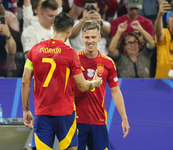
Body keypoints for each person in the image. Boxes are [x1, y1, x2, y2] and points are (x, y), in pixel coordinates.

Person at [21, 12, 102, 150]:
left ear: (53, 27)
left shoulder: (34, 50)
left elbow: (25, 82)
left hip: (42, 113)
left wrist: (26, 109)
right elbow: (82, 86)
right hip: (65, 114)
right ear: (69, 30)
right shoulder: (70, 53)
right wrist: (94, 83)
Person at [71, 20, 130, 150]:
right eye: (87, 37)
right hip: (76, 122)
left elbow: (115, 92)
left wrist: (124, 117)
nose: (90, 41)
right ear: (82, 38)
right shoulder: (73, 60)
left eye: (93, 37)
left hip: (99, 121)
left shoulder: (108, 63)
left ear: (99, 37)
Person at [154, 1, 173, 78]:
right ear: (168, 21)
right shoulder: (165, 33)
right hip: (162, 82)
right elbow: (158, 32)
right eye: (172, 16)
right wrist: (160, 15)